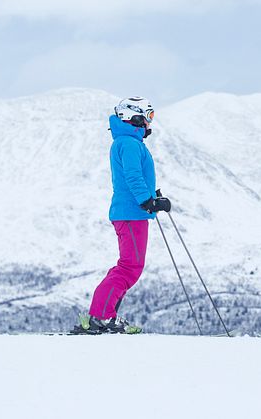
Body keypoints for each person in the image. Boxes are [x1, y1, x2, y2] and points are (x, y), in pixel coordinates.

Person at [75, 97, 171, 334]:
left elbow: (135, 176)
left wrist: (151, 194)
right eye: (148, 117)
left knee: (128, 266)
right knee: (130, 267)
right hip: (132, 213)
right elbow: (132, 175)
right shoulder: (128, 143)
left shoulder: (127, 142)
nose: (150, 123)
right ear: (134, 116)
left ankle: (103, 313)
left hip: (131, 212)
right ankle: (102, 316)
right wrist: (147, 201)